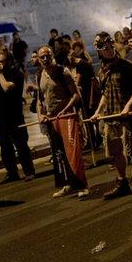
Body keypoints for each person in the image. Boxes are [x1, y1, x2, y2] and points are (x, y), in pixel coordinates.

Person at [91, 32, 132, 200]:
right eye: (104, 49)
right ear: (99, 51)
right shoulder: (102, 70)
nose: (108, 51)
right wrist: (97, 112)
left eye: (110, 47)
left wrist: (129, 106)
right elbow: (105, 93)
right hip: (110, 116)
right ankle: (122, 182)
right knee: (116, 152)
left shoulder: (126, 65)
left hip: (127, 117)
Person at [37, 46, 89, 198]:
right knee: (59, 153)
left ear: (52, 56)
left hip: (67, 117)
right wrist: (41, 115)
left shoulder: (63, 72)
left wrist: (65, 110)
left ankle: (82, 185)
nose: (45, 59)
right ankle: (67, 184)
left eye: (48, 56)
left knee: (73, 151)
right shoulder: (39, 74)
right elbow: (40, 99)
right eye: (42, 57)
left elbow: (76, 95)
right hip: (52, 119)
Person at [0, 51, 36, 184]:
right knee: (4, 146)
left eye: (1, 61)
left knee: (21, 144)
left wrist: (0, 74)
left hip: (14, 115)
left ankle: (29, 171)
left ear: (9, 62)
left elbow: (7, 88)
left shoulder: (17, 74)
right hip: (2, 116)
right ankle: (11, 172)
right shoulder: (1, 75)